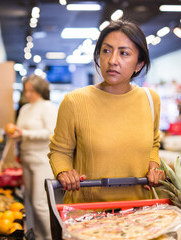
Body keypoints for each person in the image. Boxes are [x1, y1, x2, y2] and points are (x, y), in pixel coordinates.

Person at [48, 20, 165, 204]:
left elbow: (153, 144)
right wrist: (64, 172)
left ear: (139, 64)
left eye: (124, 53)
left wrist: (153, 167)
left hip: (139, 212)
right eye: (106, 51)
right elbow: (59, 151)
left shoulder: (150, 100)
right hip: (87, 214)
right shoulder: (75, 101)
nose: (112, 61)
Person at [7, 74, 57, 240]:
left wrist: (25, 134)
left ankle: (49, 237)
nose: (28, 94)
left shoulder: (47, 107)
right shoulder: (24, 109)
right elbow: (22, 133)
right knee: (28, 202)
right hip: (26, 160)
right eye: (26, 90)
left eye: (31, 90)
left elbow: (51, 133)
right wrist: (18, 136)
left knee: (40, 203)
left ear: (40, 89)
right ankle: (35, 235)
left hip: (42, 161)